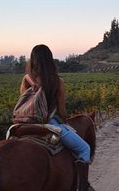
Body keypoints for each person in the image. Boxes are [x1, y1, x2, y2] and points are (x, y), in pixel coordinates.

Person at [20, 44, 93, 191]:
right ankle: (82, 187)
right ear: (50, 60)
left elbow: (24, 103)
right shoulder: (57, 82)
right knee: (85, 148)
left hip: (23, 124)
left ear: (32, 60)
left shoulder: (26, 81)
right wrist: (63, 121)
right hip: (48, 123)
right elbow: (62, 112)